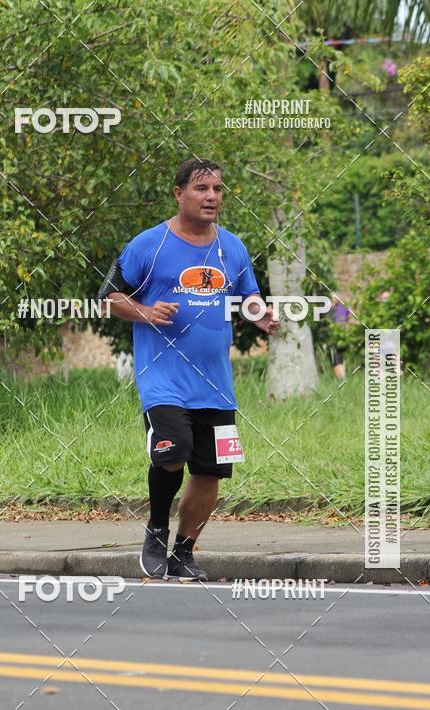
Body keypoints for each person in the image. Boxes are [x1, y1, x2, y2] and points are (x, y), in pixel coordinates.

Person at [97, 158, 278, 581]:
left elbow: (247, 295)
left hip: (216, 385)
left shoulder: (232, 247)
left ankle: (183, 552)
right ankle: (156, 533)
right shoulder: (148, 244)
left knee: (210, 472)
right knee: (172, 451)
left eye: (217, 189)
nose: (211, 196)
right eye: (201, 188)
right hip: (163, 380)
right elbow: (107, 297)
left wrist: (259, 314)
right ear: (179, 194)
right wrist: (145, 312)